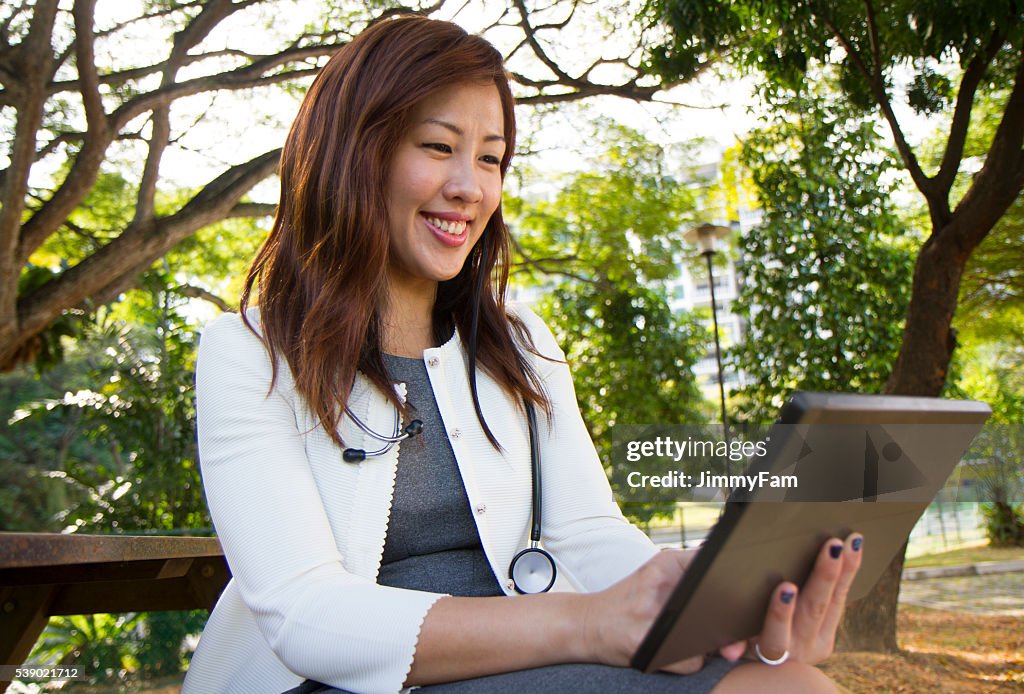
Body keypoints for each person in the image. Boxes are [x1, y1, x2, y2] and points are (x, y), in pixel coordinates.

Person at [182, 15, 862, 694]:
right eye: (438, 146)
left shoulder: (522, 343)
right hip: (339, 682)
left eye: (490, 157)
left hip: (530, 659)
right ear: (354, 152)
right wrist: (583, 625)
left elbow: (589, 536)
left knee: (791, 681)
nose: (469, 188)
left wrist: (701, 596)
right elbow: (306, 613)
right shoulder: (247, 354)